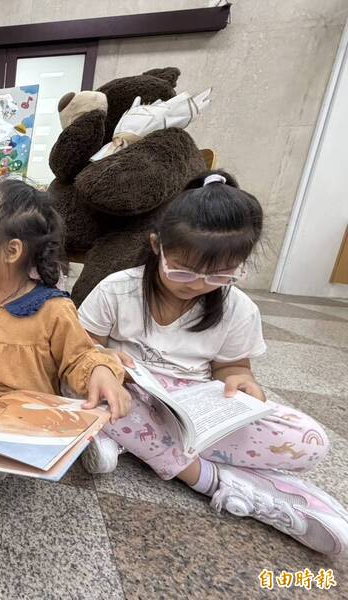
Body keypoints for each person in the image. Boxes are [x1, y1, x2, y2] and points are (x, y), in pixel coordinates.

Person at [79, 170, 348, 557]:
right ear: (157, 245)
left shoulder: (239, 309)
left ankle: (129, 443)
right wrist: (103, 359)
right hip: (129, 390)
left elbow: (233, 368)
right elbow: (84, 349)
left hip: (191, 402)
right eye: (183, 270)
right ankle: (215, 481)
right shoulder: (118, 288)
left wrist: (242, 384)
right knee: (87, 394)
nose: (198, 283)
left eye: (220, 274)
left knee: (311, 441)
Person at [0, 179, 129, 569]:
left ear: (11, 250)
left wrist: (102, 371)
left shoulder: (53, 309)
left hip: (19, 419)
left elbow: (80, 357)